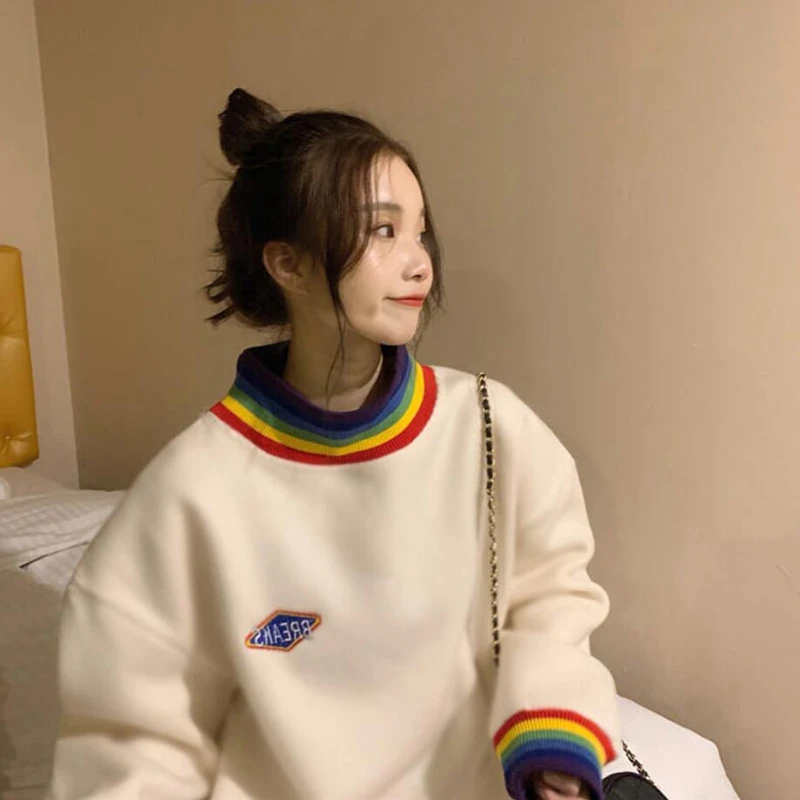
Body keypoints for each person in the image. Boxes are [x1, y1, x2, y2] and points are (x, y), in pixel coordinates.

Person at [48, 88, 620, 800]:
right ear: (286, 264)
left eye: (419, 232)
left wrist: (552, 736)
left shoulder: (488, 426)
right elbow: (133, 736)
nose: (420, 263)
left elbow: (551, 593)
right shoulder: (192, 493)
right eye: (382, 231)